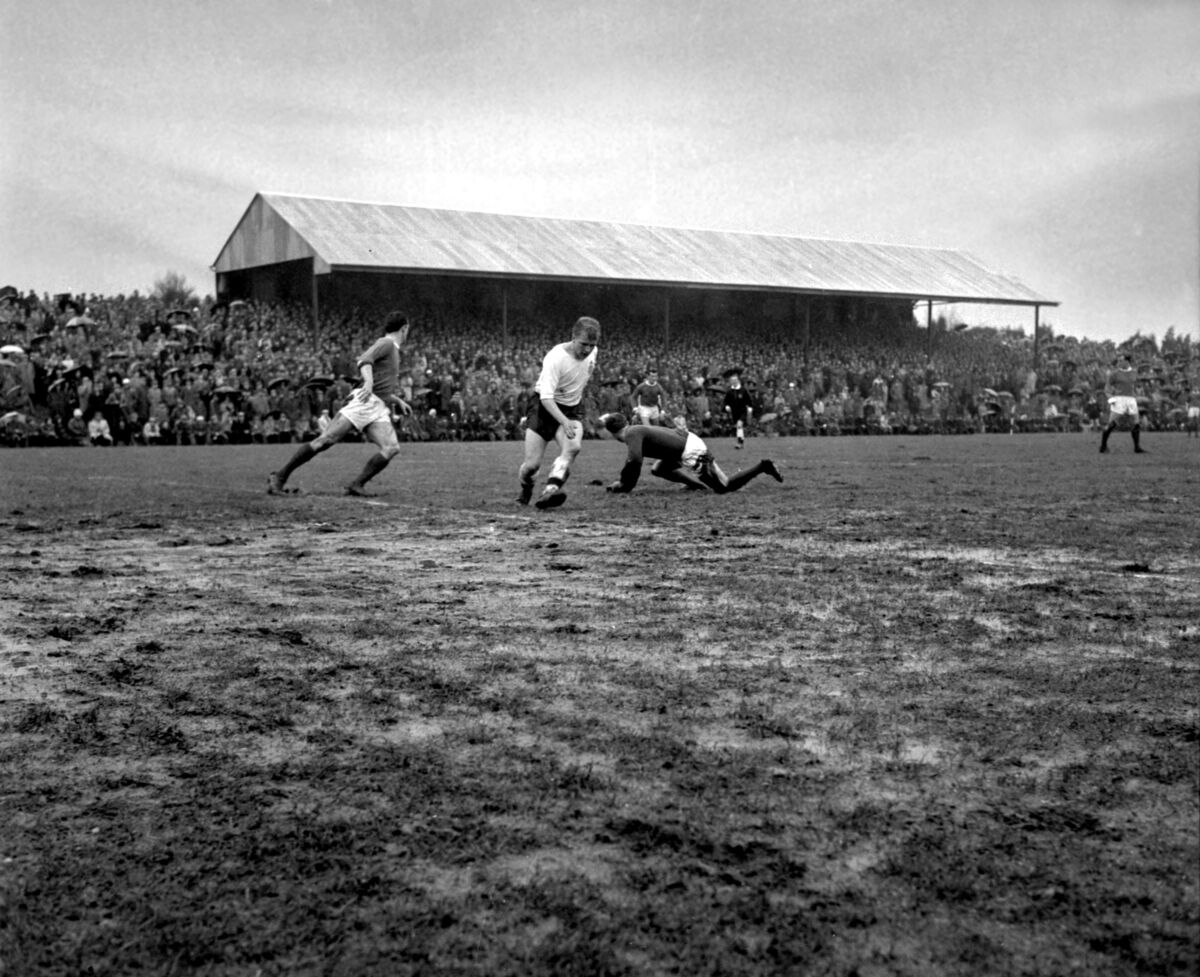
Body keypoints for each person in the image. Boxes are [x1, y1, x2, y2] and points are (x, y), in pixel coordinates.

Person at [268, 311, 414, 496]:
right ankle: (279, 477)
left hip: (377, 406)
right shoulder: (386, 343)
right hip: (364, 402)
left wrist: (397, 400)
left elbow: (380, 386)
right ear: (404, 328)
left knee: (391, 448)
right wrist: (368, 382)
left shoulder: (393, 349)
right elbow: (364, 360)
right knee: (325, 441)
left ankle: (356, 484)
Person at [517, 316, 600, 509]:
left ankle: (550, 491)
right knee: (531, 466)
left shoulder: (593, 352)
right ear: (573, 338)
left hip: (571, 408)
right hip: (544, 408)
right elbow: (546, 398)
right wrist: (563, 421)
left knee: (572, 447)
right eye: (583, 344)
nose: (587, 350)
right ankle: (526, 488)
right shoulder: (556, 358)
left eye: (592, 345)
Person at [599, 412, 782, 495]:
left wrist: (624, 485)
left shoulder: (631, 433)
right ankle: (697, 486)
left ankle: (762, 466)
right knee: (659, 469)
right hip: (683, 446)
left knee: (724, 487)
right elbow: (634, 460)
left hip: (690, 450)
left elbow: (635, 461)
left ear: (613, 432)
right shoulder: (634, 430)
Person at [1099, 354, 1146, 454]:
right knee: (1111, 423)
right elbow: (1107, 386)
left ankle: (1137, 447)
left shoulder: (1134, 372)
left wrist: (1137, 393)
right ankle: (1103, 446)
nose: (1119, 362)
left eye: (1121, 360)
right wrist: (1110, 398)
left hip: (1131, 399)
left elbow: (1136, 385)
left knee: (1136, 422)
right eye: (1118, 360)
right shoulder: (1115, 373)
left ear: (1127, 361)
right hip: (1119, 399)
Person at [723, 371, 754, 448]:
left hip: (742, 411)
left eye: (734, 380)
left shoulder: (743, 390)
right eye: (732, 381)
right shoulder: (729, 391)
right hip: (734, 412)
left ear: (738, 381)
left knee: (739, 425)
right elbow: (726, 401)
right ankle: (741, 442)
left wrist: (750, 407)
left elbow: (749, 400)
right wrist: (726, 406)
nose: (733, 382)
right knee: (738, 427)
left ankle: (739, 443)